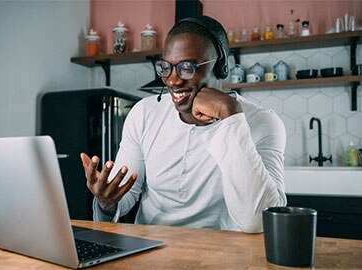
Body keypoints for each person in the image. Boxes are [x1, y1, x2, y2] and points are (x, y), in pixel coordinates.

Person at [80, 15, 286, 233]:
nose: (173, 80)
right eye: (166, 67)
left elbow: (259, 221)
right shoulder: (143, 113)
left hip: (223, 255)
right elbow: (126, 194)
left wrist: (231, 116)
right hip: (150, 252)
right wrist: (106, 202)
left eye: (187, 67)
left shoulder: (263, 122)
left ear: (222, 66)